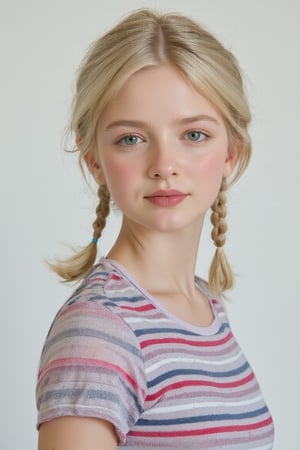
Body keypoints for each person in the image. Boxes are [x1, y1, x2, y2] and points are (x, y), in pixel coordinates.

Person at [36, 8, 274, 450]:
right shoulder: (101, 329)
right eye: (131, 138)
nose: (164, 166)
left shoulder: (206, 307)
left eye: (194, 135)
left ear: (231, 152)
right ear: (95, 161)